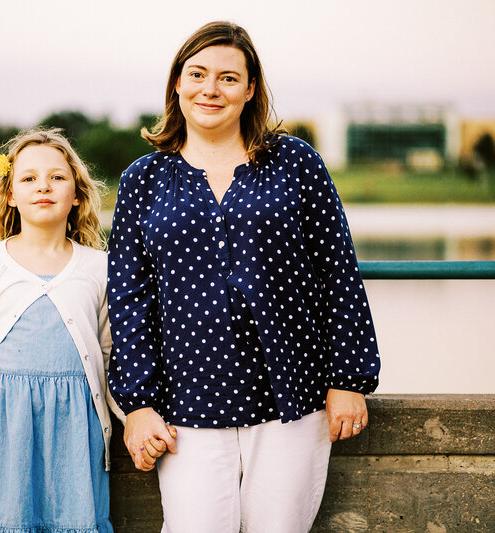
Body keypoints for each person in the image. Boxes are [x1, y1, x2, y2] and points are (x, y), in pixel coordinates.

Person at [107, 21, 381, 532]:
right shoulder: (143, 179)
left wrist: (349, 379)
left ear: (250, 89)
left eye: (229, 78)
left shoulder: (297, 164)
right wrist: (138, 405)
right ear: (177, 83)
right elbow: (129, 298)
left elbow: (338, 272)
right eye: (198, 74)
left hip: (291, 398)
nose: (211, 89)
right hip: (186, 402)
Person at [0, 128, 120, 533]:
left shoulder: (99, 269)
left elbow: (109, 364)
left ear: (77, 195)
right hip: (0, 440)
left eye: (57, 177)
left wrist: (137, 419)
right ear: (11, 195)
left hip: (75, 440)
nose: (44, 187)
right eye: (29, 178)